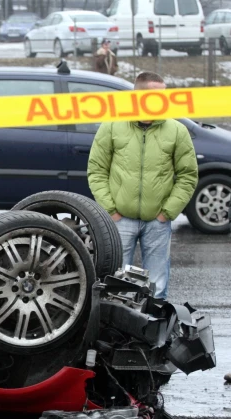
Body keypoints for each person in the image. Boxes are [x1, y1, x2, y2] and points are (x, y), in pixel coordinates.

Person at [87, 72, 198, 300]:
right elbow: (97, 170)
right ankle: (116, 328)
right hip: (120, 219)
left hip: (157, 221)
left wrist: (167, 213)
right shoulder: (111, 127)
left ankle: (154, 326)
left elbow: (188, 176)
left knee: (157, 284)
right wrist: (111, 211)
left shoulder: (177, 131)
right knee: (116, 281)